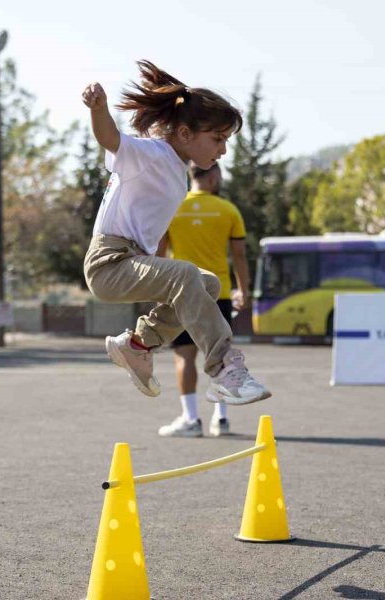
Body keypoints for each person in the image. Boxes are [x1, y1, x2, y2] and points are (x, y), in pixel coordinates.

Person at [80, 60, 270, 406]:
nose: (223, 150)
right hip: (108, 262)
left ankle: (138, 345)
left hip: (132, 260)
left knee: (207, 283)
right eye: (217, 139)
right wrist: (99, 108)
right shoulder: (152, 154)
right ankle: (224, 369)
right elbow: (110, 139)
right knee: (185, 275)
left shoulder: (177, 171)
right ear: (185, 134)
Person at [156, 163, 250, 437]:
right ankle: (221, 419)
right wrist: (243, 290)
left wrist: (159, 292)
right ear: (213, 176)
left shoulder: (173, 208)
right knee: (219, 356)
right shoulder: (228, 210)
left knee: (184, 356)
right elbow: (239, 255)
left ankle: (191, 419)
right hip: (218, 293)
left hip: (182, 293)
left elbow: (159, 254)